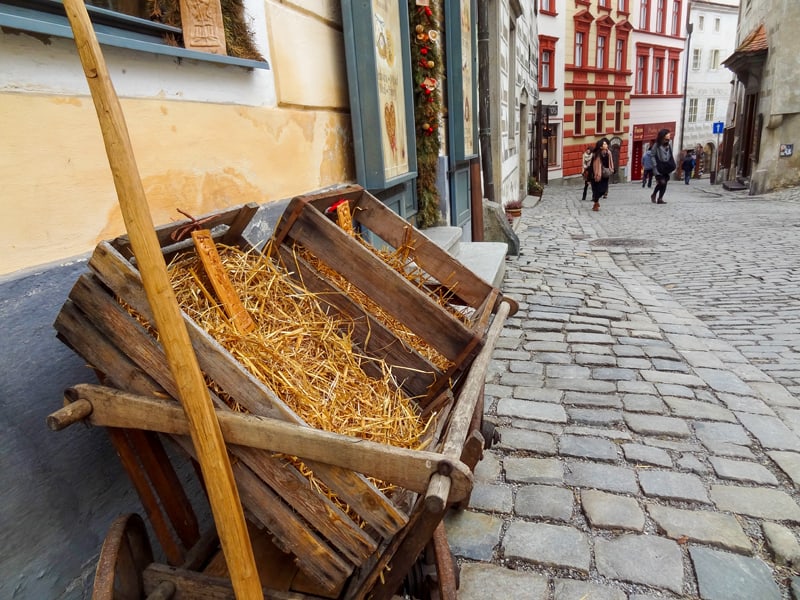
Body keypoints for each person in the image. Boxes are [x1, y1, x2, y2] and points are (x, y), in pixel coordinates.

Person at [651, 128, 676, 204]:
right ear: (663, 136)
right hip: (659, 167)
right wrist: (654, 166)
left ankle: (660, 199)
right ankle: (654, 194)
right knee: (662, 182)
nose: (669, 136)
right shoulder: (657, 145)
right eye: (668, 134)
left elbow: (670, 154)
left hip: (667, 167)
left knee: (665, 183)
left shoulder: (670, 143)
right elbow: (652, 155)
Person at [589, 138, 614, 212]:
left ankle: (596, 202)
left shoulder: (608, 153)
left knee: (603, 190)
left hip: (605, 175)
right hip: (596, 175)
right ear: (600, 146)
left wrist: (612, 169)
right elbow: (591, 165)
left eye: (606, 144)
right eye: (604, 144)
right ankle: (596, 203)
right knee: (596, 190)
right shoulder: (596, 155)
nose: (606, 145)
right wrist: (591, 176)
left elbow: (611, 162)